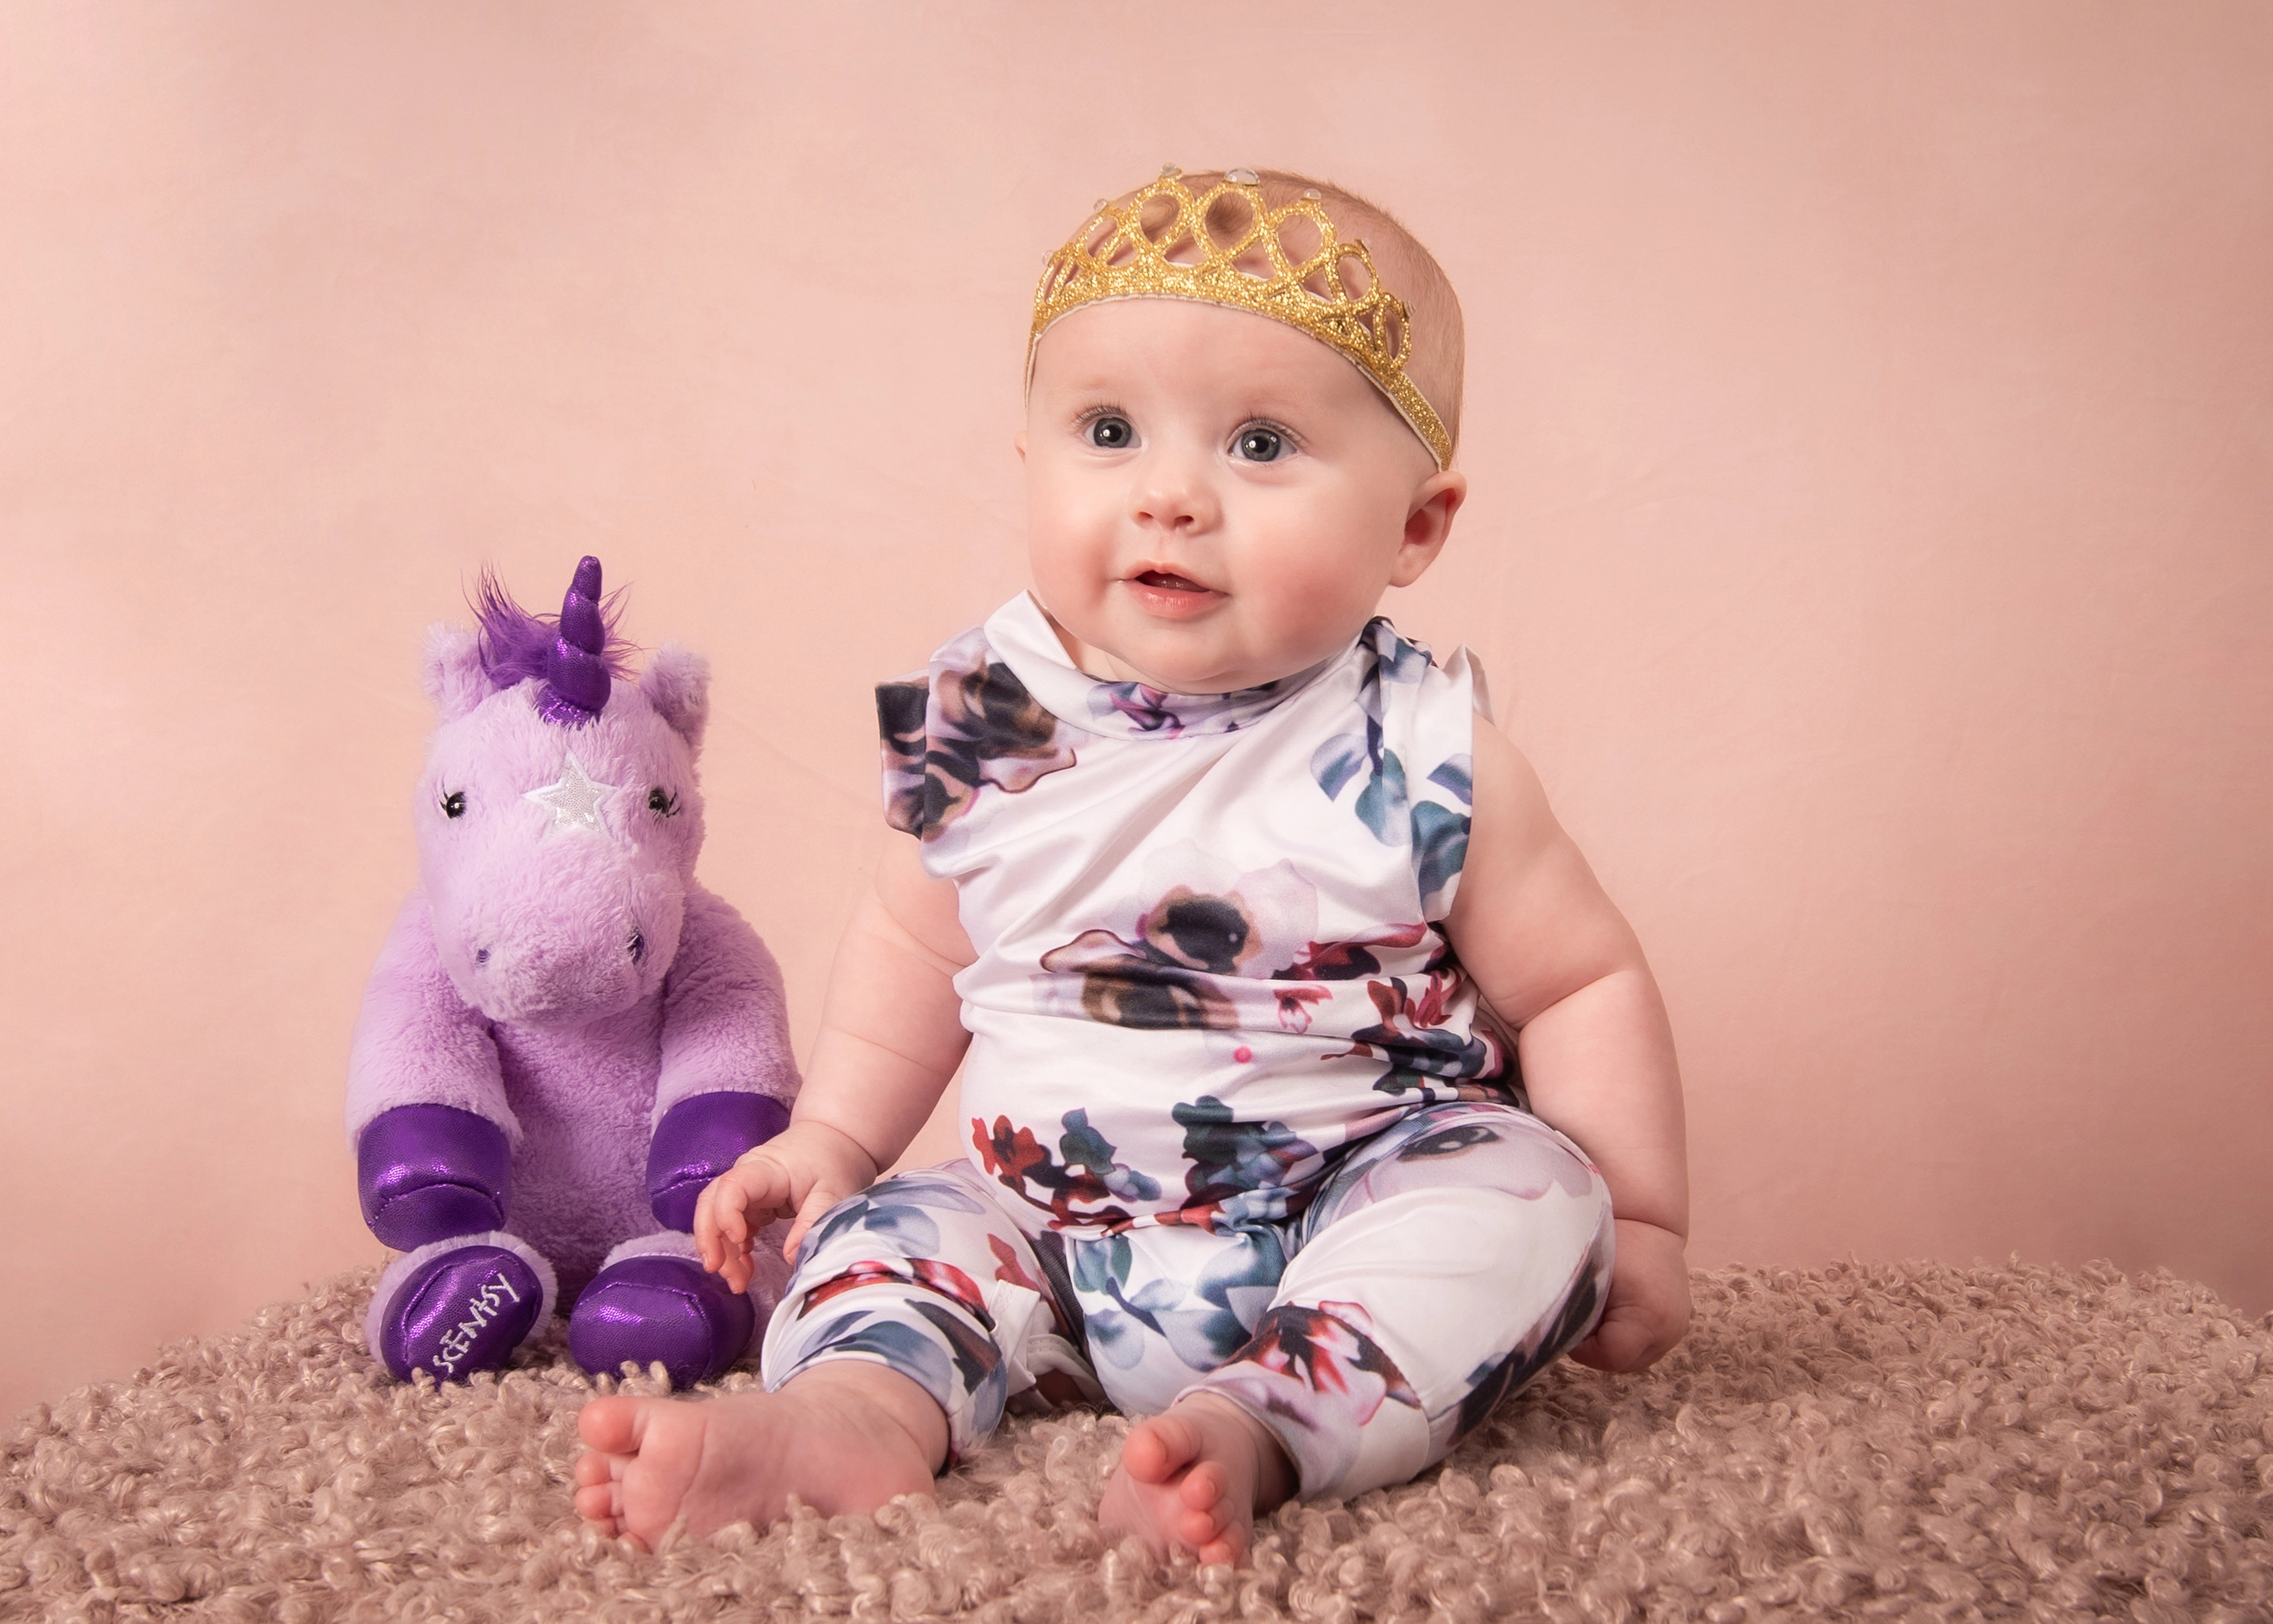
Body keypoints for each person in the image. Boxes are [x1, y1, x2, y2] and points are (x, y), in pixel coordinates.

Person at [575, 166, 1690, 1565]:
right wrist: (837, 1143)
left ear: (1415, 525)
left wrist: (1638, 1217)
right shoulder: (981, 707)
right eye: (1109, 430)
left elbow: (1581, 978)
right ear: (1029, 462)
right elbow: (919, 946)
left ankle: (1265, 1419)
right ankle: (853, 1411)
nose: (1169, 496)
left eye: (1261, 444)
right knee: (887, 1236)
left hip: (1348, 1197)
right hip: (1039, 1210)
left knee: (1526, 1195)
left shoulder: (1424, 743)